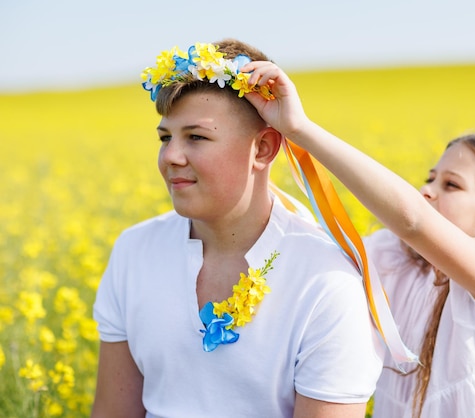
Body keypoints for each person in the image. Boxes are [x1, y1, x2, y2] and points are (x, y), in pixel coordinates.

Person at [243, 62, 475, 417]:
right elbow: (307, 239)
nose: (426, 191)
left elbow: (413, 220)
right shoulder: (396, 260)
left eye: (451, 185)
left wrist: (298, 129)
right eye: (430, 179)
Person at [91, 39, 382, 418]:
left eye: (196, 137)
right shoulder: (134, 250)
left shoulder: (325, 280)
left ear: (262, 150)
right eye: (165, 138)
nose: (170, 158)